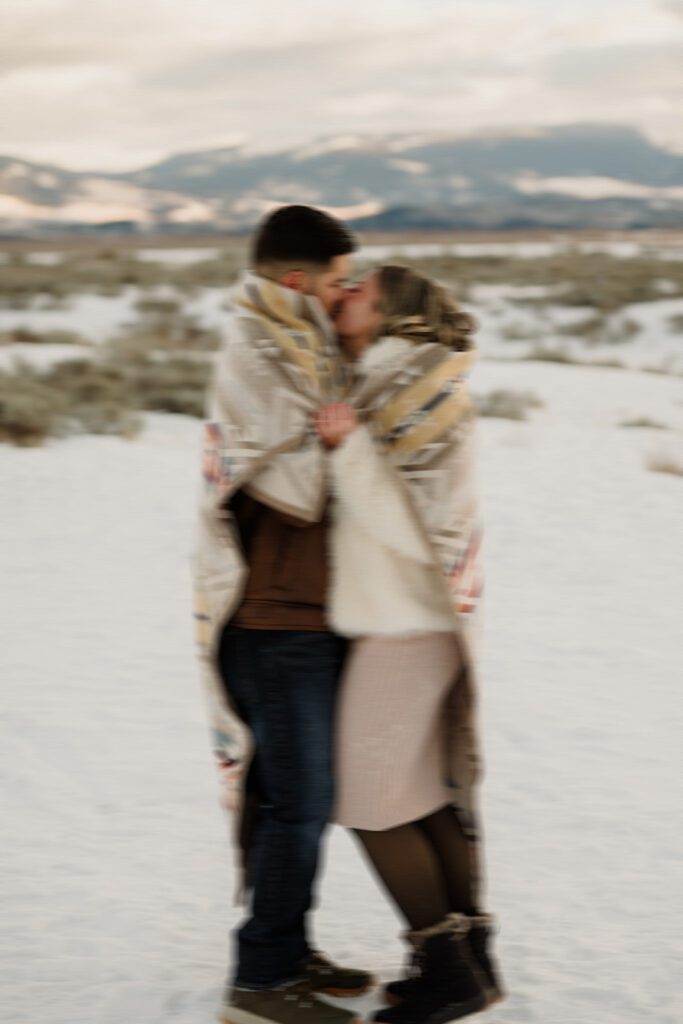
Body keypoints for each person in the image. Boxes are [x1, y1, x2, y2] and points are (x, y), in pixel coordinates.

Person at [192, 205, 372, 1024]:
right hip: (272, 624)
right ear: (297, 282)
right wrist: (340, 445)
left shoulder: (306, 351)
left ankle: (288, 951)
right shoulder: (253, 355)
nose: (348, 294)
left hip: (313, 616)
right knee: (298, 803)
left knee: (299, 801)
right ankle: (259, 984)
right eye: (337, 282)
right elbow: (289, 492)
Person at [313, 266, 506, 1024]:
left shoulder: (420, 394)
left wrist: (350, 450)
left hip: (409, 623)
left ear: (393, 310)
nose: (343, 293)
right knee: (421, 795)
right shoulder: (387, 379)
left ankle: (447, 966)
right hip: (405, 622)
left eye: (358, 287)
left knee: (366, 798)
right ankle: (470, 957)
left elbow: (418, 534)